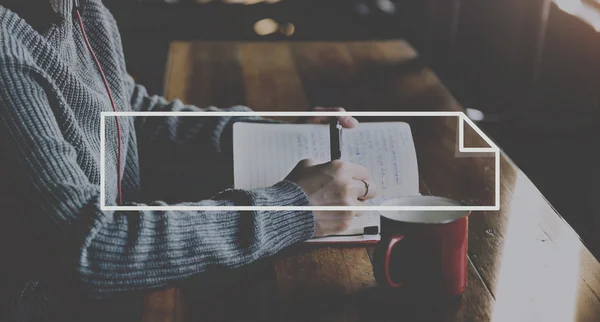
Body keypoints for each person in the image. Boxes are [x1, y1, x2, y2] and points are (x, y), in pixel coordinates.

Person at [0, 1, 377, 321]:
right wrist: (294, 209)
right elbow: (92, 247)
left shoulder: (81, 8)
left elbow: (128, 111)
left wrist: (268, 134)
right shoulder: (7, 51)